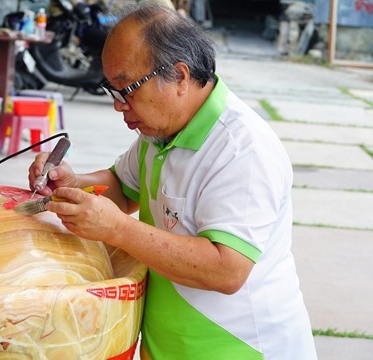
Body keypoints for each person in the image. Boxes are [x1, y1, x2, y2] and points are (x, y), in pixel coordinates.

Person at [28, 3, 317, 360]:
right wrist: (72, 182)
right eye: (112, 91)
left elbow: (226, 269)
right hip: (167, 342)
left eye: (126, 89)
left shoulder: (243, 150)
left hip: (236, 347)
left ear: (179, 77)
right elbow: (123, 187)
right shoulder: (161, 130)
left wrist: (117, 229)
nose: (119, 106)